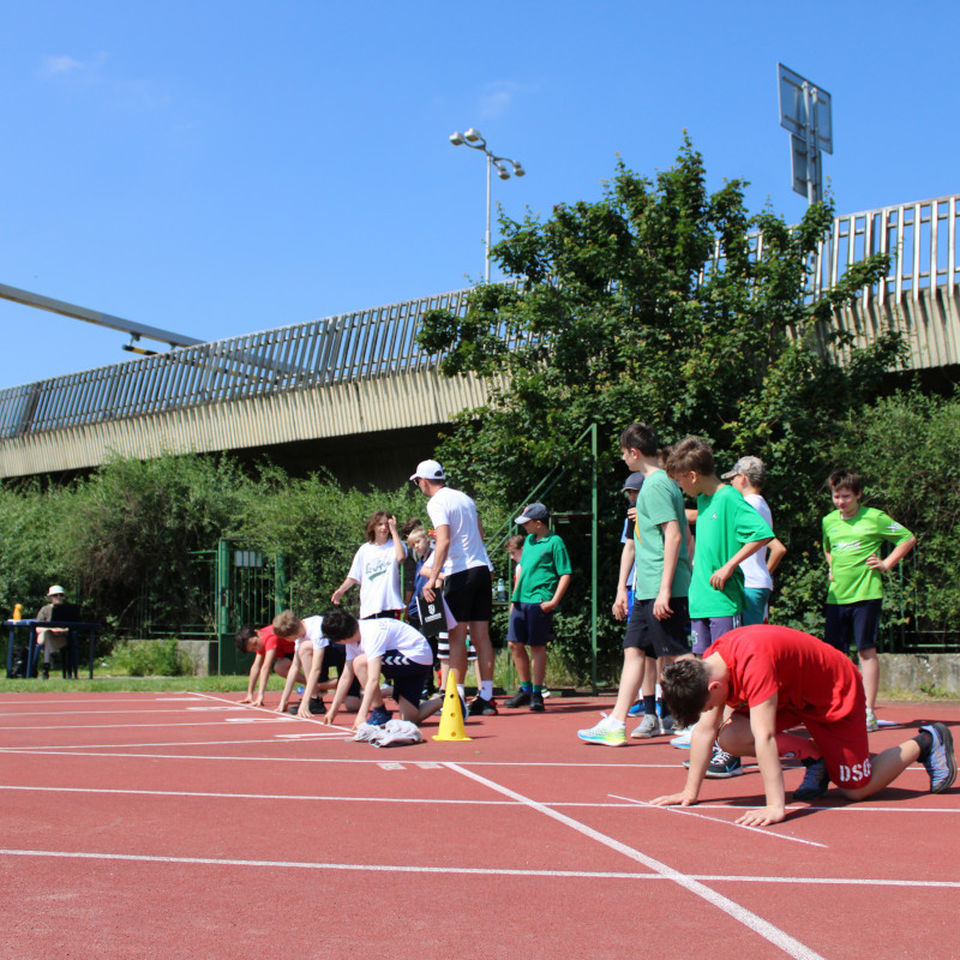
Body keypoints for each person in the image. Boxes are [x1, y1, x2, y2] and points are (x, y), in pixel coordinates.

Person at [651, 624, 956, 826]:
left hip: (834, 693)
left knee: (855, 790)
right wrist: (689, 791)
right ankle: (817, 758)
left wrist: (775, 807)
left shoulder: (752, 662)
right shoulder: (707, 665)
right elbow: (706, 729)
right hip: (794, 697)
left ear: (714, 687)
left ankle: (927, 742)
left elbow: (766, 736)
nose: (711, 711)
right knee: (729, 738)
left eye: (709, 705)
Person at [579, 423, 693, 746]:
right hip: (645, 588)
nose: (622, 458)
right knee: (633, 650)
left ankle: (699, 721)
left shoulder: (656, 485)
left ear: (634, 452)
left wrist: (666, 589)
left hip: (659, 586)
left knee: (679, 656)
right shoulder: (659, 483)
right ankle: (616, 722)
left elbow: (674, 534)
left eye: (623, 452)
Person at [822, 468, 916, 732]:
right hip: (836, 597)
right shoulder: (829, 521)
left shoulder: (874, 518)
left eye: (846, 496)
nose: (841, 501)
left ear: (859, 495)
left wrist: (886, 563)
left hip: (867, 595)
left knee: (866, 651)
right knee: (834, 655)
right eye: (836, 496)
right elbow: (828, 548)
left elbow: (907, 538)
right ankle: (837, 705)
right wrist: (832, 567)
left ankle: (868, 712)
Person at [664, 437, 773, 655]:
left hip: (723, 601)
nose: (680, 487)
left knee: (726, 667)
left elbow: (762, 535)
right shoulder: (704, 501)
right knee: (704, 671)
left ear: (692, 476)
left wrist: (729, 565)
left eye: (679, 481)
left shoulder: (729, 497)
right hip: (699, 601)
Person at [410, 459, 497, 717]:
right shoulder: (465, 499)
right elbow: (480, 533)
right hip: (481, 569)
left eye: (417, 482)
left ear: (424, 481)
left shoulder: (436, 502)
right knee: (481, 636)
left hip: (460, 573)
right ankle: (487, 699)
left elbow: (444, 540)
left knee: (457, 635)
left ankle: (456, 699)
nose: (418, 486)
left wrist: (432, 577)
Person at [320, 608, 443, 729]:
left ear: (340, 639)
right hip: (406, 660)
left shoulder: (371, 633)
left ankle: (380, 712)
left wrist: (362, 714)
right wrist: (333, 710)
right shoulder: (352, 640)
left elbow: (374, 679)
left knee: (360, 663)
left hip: (416, 657)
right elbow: (346, 676)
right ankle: (447, 699)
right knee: (410, 719)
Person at [502, 503, 572, 712]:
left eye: (527, 523)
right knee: (514, 643)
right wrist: (515, 599)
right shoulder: (530, 542)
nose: (524, 527)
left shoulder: (555, 542)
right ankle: (525, 689)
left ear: (539, 523)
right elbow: (523, 569)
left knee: (537, 646)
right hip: (521, 600)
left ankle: (536, 692)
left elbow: (565, 573)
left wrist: (554, 601)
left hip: (539, 601)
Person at [720, 456, 787, 626]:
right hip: (757, 582)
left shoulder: (748, 505)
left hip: (749, 584)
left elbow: (776, 547)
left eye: (733, 478)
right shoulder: (761, 504)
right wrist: (764, 573)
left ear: (743, 478)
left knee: (747, 643)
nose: (731, 483)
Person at [272, 610, 362, 718]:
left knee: (353, 705)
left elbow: (316, 669)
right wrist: (284, 700)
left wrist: (305, 702)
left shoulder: (316, 627)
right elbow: (294, 667)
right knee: (352, 705)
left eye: (286, 639)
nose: (288, 641)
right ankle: (316, 700)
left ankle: (313, 699)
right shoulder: (299, 636)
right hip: (328, 656)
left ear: (290, 635)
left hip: (342, 653)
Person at [331, 512, 407, 619]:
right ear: (373, 527)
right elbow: (353, 576)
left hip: (390, 605)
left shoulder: (396, 544)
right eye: (380, 524)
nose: (384, 527)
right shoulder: (364, 550)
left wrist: (394, 531)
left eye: (386, 524)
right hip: (369, 606)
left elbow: (401, 557)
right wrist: (341, 590)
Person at [236, 621, 298, 708]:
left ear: (257, 633)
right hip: (288, 652)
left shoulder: (270, 637)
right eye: (253, 649)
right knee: (279, 667)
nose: (257, 648)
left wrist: (260, 696)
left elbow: (266, 667)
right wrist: (249, 695)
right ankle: (311, 683)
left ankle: (314, 684)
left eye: (255, 644)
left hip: (299, 646)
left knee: (280, 667)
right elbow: (256, 667)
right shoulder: (260, 640)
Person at [35, 585, 81, 680]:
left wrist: (62, 630)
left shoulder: (69, 610)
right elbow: (37, 628)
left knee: (49, 642)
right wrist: (51, 630)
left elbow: (73, 627)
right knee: (47, 634)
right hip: (44, 637)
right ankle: (54, 657)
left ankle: (46, 669)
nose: (58, 597)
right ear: (50, 597)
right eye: (55, 595)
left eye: (61, 595)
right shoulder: (44, 609)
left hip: (61, 638)